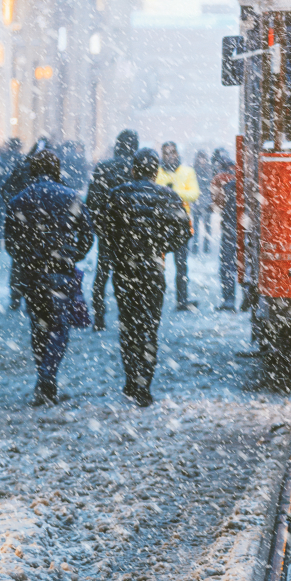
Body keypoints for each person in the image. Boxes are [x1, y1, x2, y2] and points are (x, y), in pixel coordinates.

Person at [99, 148, 192, 406]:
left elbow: (106, 231)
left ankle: (130, 378)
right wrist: (161, 245)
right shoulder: (167, 196)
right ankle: (144, 385)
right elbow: (184, 231)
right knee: (149, 327)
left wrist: (122, 249)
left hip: (124, 270)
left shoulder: (117, 195)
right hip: (153, 268)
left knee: (128, 324)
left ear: (133, 169)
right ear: (156, 171)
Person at [4, 149, 94, 406]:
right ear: (57, 170)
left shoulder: (19, 200)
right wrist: (71, 255)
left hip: (32, 273)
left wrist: (27, 258)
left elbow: (10, 243)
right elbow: (87, 235)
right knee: (59, 328)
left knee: (39, 325)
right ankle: (48, 376)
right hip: (61, 270)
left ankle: (44, 379)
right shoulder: (70, 197)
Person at [86, 130, 138, 330]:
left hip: (107, 226)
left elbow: (92, 199)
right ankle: (128, 314)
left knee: (102, 271)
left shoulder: (103, 167)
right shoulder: (136, 168)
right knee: (129, 271)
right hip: (130, 229)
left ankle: (99, 315)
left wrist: (98, 223)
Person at [2, 138, 51, 311]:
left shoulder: (23, 168)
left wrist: (16, 208)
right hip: (40, 225)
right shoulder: (51, 174)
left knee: (20, 260)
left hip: (24, 224)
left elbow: (6, 191)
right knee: (37, 261)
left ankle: (18, 296)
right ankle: (31, 296)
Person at [156, 141, 200, 310]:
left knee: (181, 264)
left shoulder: (187, 171)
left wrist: (172, 192)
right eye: (166, 153)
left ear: (177, 153)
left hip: (181, 223)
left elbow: (194, 194)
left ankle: (182, 299)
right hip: (160, 223)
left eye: (172, 152)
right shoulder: (157, 172)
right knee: (158, 263)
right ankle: (157, 296)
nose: (169, 156)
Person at [210, 149, 237, 310]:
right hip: (246, 224)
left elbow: (218, 204)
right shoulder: (240, 171)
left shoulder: (218, 178)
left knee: (227, 264)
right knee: (245, 263)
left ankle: (229, 300)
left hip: (229, 225)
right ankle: (249, 298)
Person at [191, 149, 212, 254]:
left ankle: (206, 246)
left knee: (207, 226)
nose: (201, 160)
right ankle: (195, 245)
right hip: (196, 201)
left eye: (203, 158)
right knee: (195, 226)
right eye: (200, 158)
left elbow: (210, 185)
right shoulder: (194, 170)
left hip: (206, 202)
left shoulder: (208, 170)